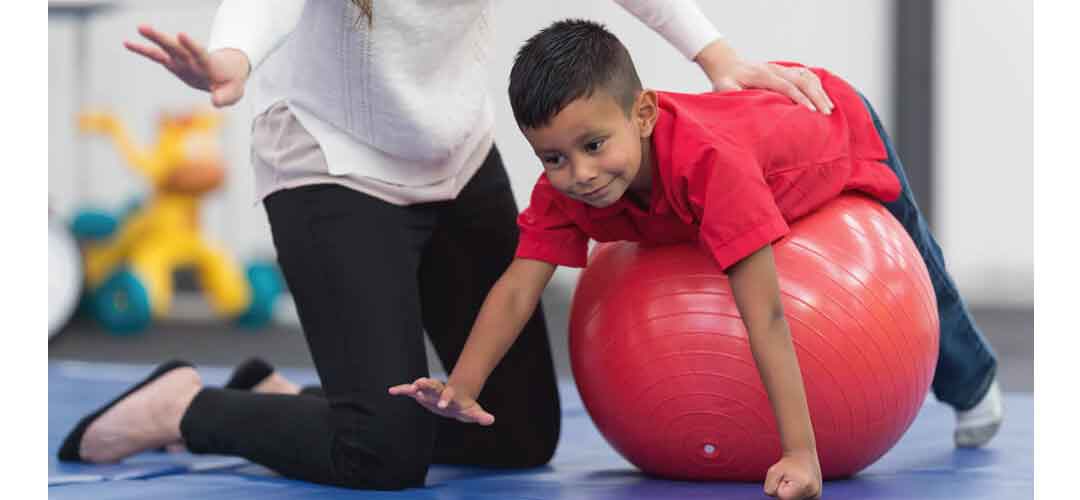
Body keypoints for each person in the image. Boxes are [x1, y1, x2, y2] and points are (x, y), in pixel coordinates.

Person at [56, 0, 837, 492]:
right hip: (333, 167)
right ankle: (188, 407)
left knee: (515, 434)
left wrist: (717, 55)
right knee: (381, 458)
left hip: (456, 161)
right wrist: (231, 59)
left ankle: (290, 403)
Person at [388, 19, 1003, 500]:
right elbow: (519, 287)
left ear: (644, 115)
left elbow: (764, 315)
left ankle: (973, 380)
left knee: (919, 256)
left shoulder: (712, 169)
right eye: (553, 157)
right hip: (755, 135)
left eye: (595, 145)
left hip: (832, 122)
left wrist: (800, 453)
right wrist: (460, 387)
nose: (579, 174)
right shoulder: (568, 191)